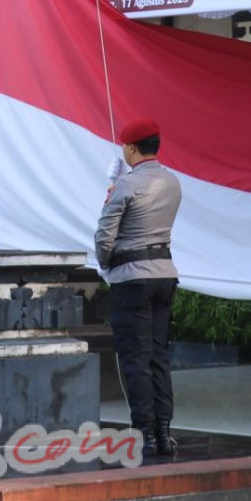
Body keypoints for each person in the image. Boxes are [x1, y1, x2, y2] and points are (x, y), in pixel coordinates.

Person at [95, 118, 182, 457]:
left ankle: (143, 433)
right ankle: (163, 431)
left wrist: (106, 265)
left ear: (131, 148)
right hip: (164, 273)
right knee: (158, 356)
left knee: (135, 357)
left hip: (131, 277)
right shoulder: (173, 182)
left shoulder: (126, 186)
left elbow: (104, 235)